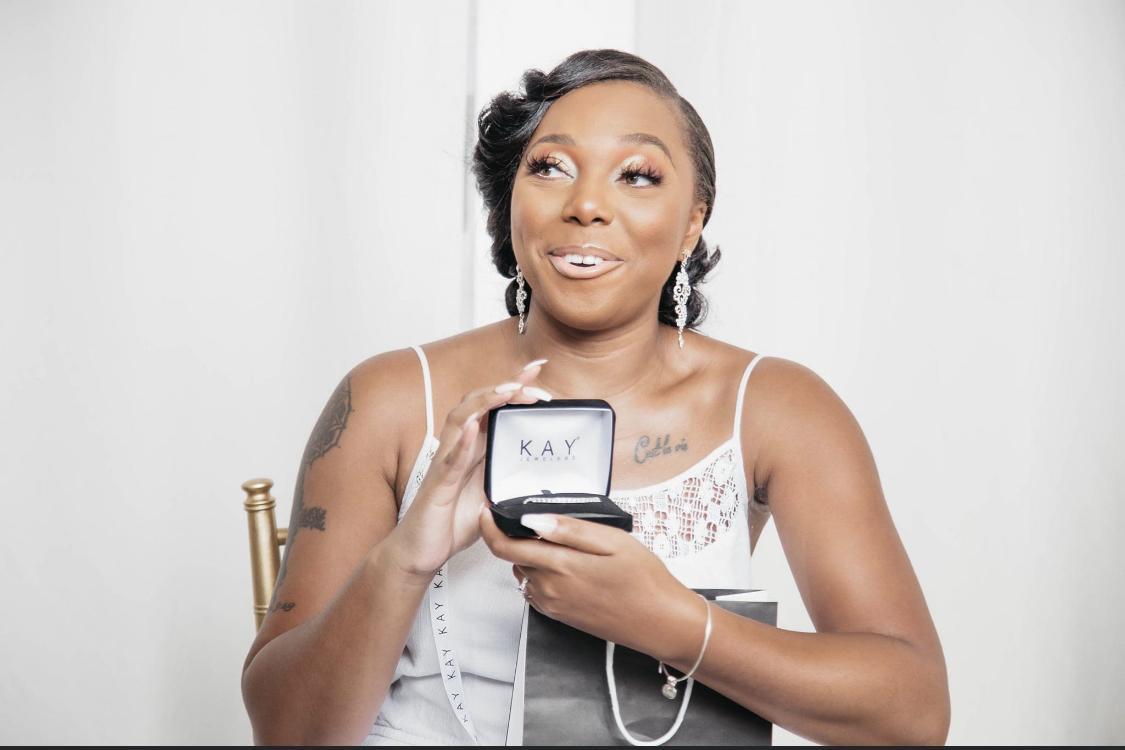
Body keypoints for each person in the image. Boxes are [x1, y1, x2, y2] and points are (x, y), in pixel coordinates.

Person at [240, 48, 949, 746]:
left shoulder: (777, 410)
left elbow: (912, 715)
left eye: (637, 175)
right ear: (509, 203)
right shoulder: (389, 400)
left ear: (691, 222)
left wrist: (670, 622)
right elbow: (286, 733)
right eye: (550, 167)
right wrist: (405, 560)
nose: (585, 206)